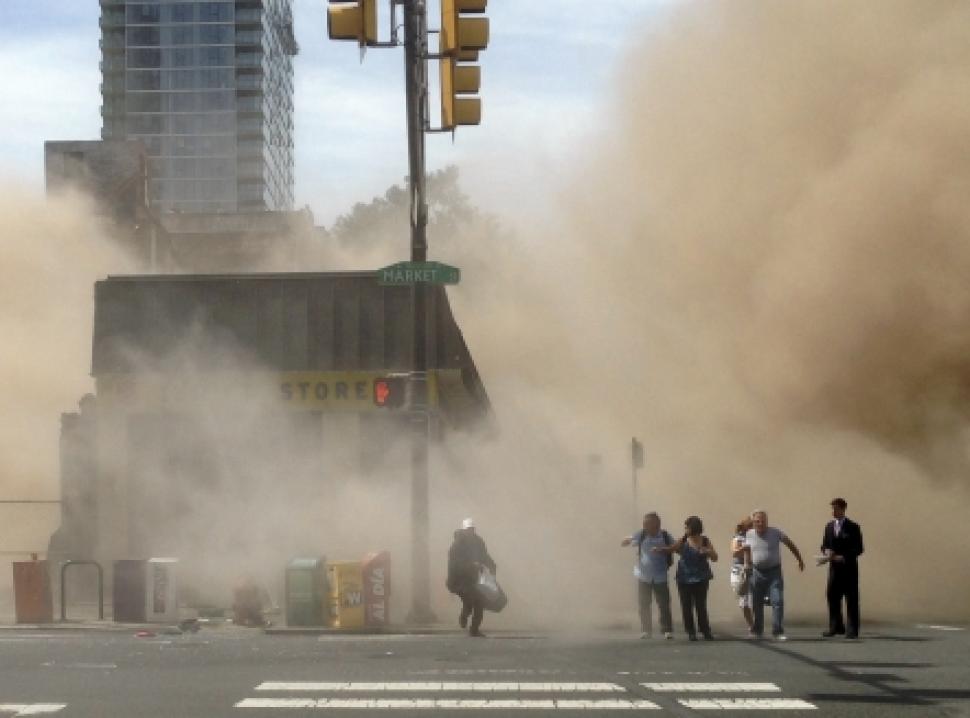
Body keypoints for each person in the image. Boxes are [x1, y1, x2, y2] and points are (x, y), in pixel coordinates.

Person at [744, 509, 804, 641]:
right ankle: (757, 630)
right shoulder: (749, 534)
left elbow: (790, 544)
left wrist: (799, 559)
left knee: (778, 601)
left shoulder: (775, 532)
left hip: (774, 572)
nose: (760, 524)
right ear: (753, 522)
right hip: (756, 572)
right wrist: (747, 564)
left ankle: (777, 631)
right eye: (757, 521)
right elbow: (747, 550)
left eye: (762, 521)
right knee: (757, 603)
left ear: (767, 521)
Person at [654, 515, 718, 641]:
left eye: (686, 527)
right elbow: (671, 549)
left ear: (693, 528)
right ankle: (691, 631)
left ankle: (705, 630)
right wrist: (660, 550)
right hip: (684, 578)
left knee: (701, 605)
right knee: (686, 605)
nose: (685, 529)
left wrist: (708, 552)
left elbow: (715, 558)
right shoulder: (683, 540)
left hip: (701, 578)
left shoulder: (705, 541)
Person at [621, 512, 674, 639]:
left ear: (657, 525)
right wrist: (627, 540)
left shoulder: (665, 536)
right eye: (644, 525)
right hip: (643, 575)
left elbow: (675, 546)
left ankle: (666, 630)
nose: (645, 527)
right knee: (644, 603)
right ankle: (646, 630)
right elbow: (626, 541)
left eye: (648, 525)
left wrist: (664, 550)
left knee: (663, 604)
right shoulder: (641, 534)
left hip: (660, 575)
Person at [821, 498, 864, 639]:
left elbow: (859, 548)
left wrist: (844, 557)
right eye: (832, 508)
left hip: (849, 569)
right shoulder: (828, 527)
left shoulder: (853, 527)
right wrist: (826, 552)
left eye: (836, 508)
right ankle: (836, 627)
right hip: (834, 569)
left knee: (851, 599)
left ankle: (852, 630)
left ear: (843, 509)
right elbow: (824, 545)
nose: (833, 511)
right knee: (832, 596)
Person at [446, 517, 496, 638]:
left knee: (479, 602)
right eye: (468, 529)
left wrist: (492, 566)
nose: (471, 532)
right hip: (459, 581)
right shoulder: (456, 545)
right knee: (469, 602)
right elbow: (455, 565)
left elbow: (484, 555)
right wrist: (471, 565)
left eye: (472, 529)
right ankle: (464, 616)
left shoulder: (478, 542)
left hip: (473, 579)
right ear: (464, 530)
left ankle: (474, 629)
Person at [730, 517, 754, 633]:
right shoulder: (738, 538)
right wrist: (745, 548)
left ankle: (755, 624)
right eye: (750, 526)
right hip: (740, 571)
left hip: (754, 569)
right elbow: (734, 552)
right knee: (744, 600)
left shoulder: (757, 537)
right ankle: (751, 625)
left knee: (754, 599)